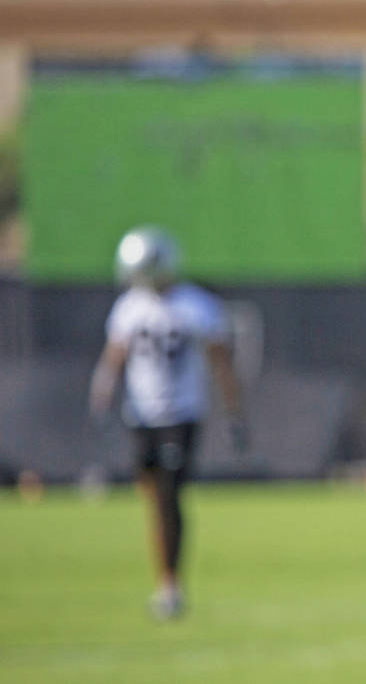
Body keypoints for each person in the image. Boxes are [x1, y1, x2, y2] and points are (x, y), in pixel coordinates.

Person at [89, 225, 245, 620]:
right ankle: (165, 578)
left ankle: (170, 584)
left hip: (182, 412)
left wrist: (234, 413)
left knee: (168, 496)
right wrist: (102, 397)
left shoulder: (196, 305)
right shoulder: (129, 307)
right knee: (154, 498)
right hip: (140, 414)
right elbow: (115, 357)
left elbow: (221, 363)